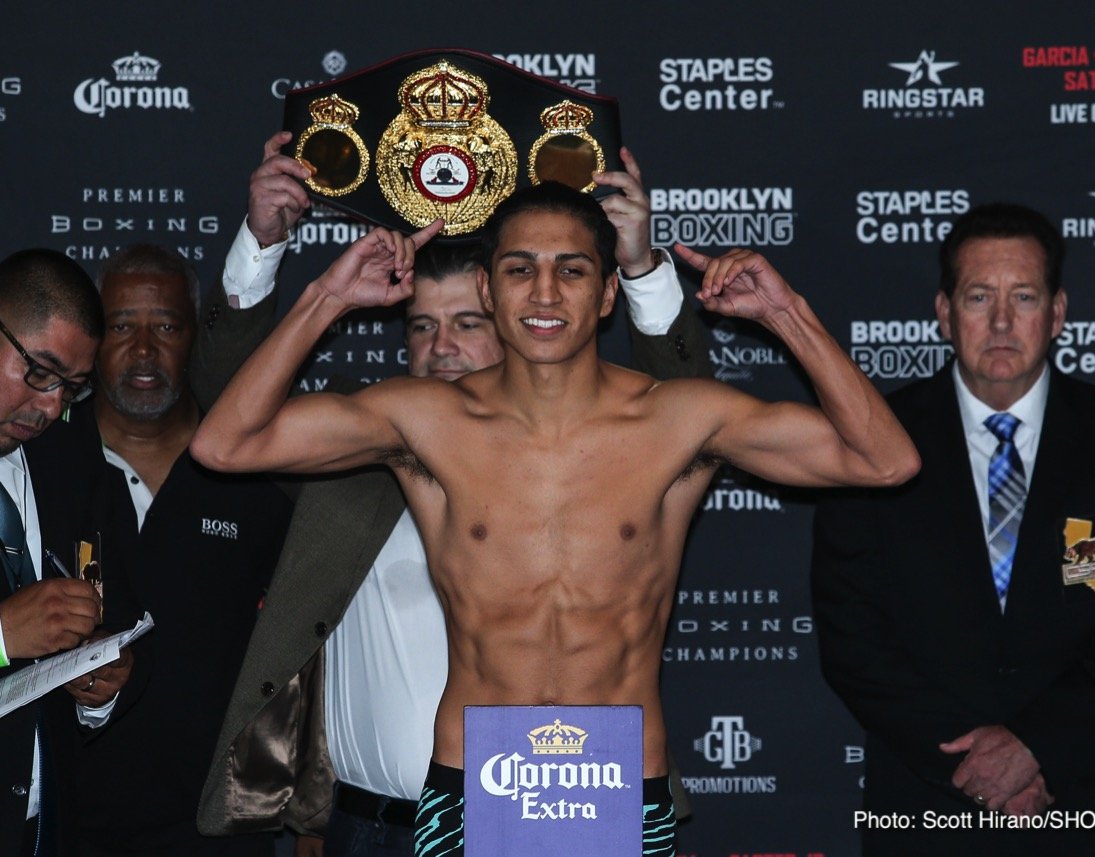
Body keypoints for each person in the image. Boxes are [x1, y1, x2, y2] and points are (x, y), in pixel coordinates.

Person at [190, 179, 919, 855]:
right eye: (519, 269)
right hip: (474, 780)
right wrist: (326, 297)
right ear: (487, 284)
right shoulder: (428, 420)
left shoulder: (678, 419)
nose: (545, 291)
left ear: (607, 294)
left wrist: (786, 313)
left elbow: (886, 461)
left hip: (617, 781)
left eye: (572, 270)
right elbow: (227, 443)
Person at [195, 133, 711, 857]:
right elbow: (225, 416)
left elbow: (685, 416)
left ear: (511, 312)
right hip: (361, 826)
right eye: (422, 328)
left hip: (550, 810)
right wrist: (264, 244)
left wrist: (641, 269)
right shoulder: (363, 433)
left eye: (466, 324)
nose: (442, 348)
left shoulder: (602, 440)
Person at [811, 203, 1095, 856]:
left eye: (1023, 296)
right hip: (926, 804)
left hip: (1094, 800)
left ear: (1057, 313)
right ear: (943, 311)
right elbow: (854, 638)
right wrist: (974, 766)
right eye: (978, 296)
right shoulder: (871, 442)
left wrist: (1034, 748)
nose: (999, 321)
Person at [27, 244, 292, 856]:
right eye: (121, 326)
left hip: (222, 829)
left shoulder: (256, 469)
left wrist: (302, 811)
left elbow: (300, 655)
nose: (143, 350)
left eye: (166, 326)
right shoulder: (36, 463)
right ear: (94, 336)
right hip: (63, 826)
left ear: (195, 336)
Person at [0, 248, 116, 856]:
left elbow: (112, 601)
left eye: (71, 387)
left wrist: (101, 681)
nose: (52, 407)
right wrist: (0, 637)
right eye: (39, 373)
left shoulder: (69, 463)